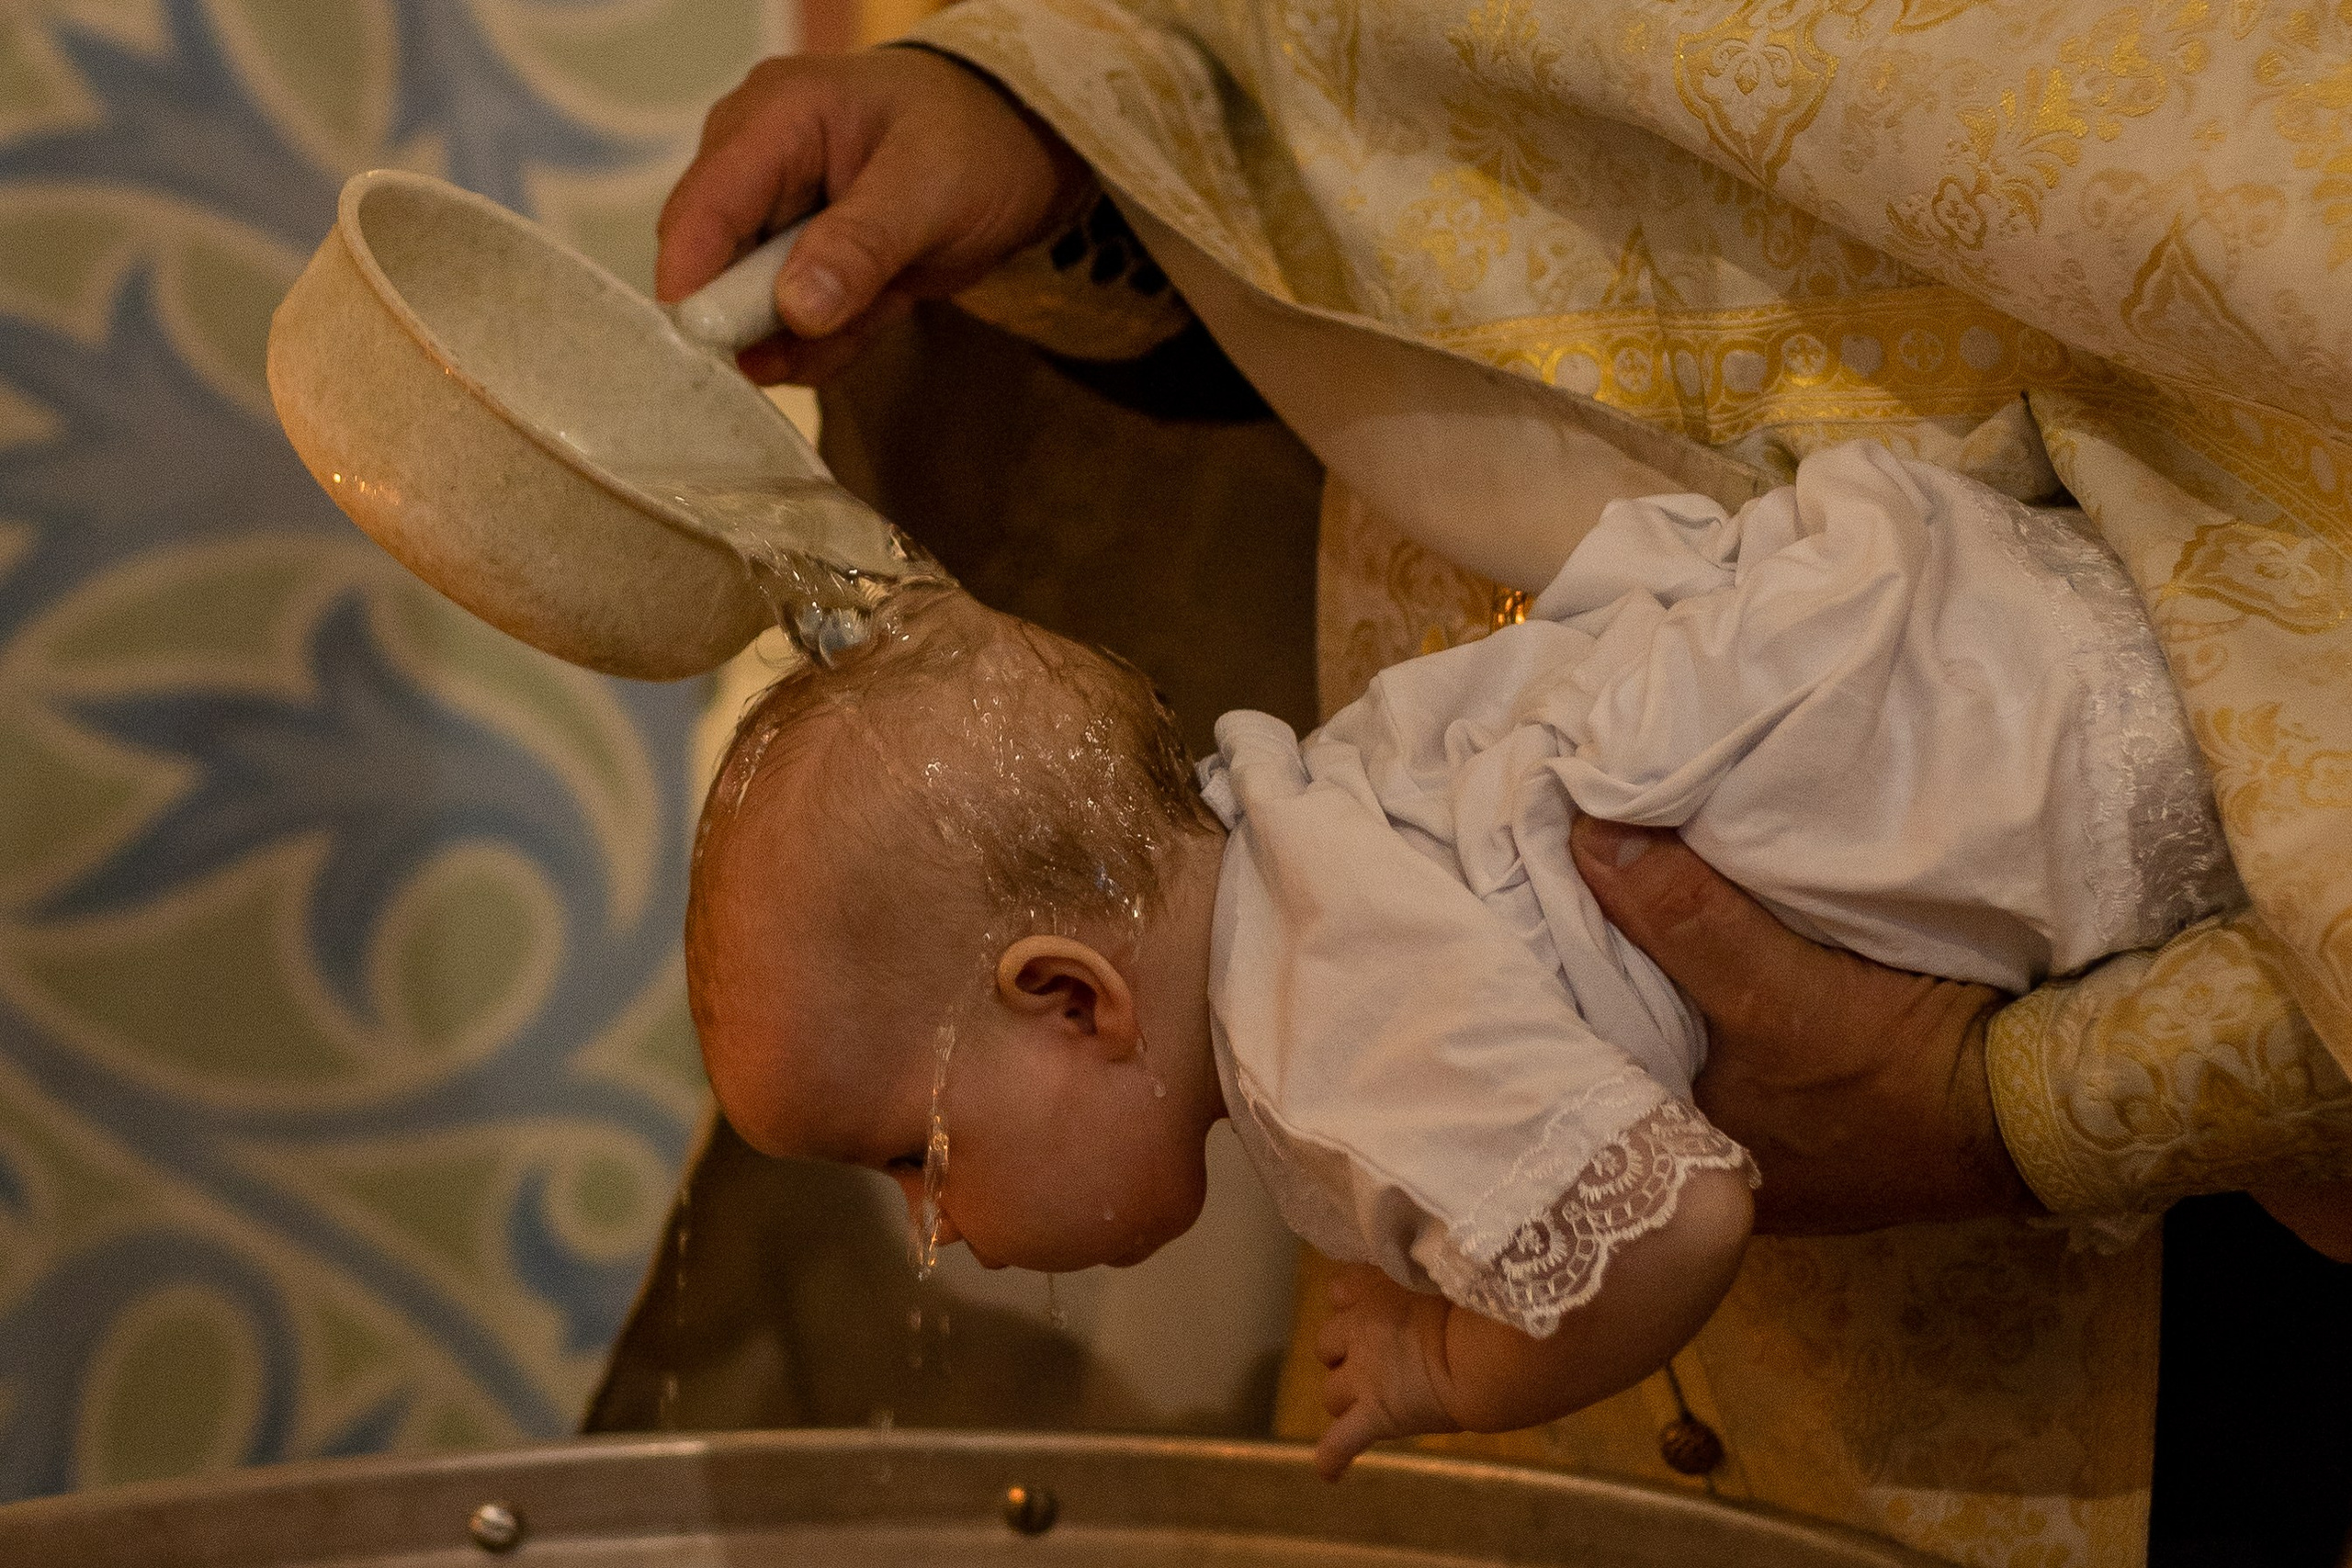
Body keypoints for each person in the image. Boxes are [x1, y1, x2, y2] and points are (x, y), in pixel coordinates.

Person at [686, 433, 2240, 1478]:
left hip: (2088, 783)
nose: (933, 1236)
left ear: (1069, 998)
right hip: (2024, 608)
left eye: (914, 1153)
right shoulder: (1308, 809)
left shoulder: (1316, 1035)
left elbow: (1677, 1223)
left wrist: (1448, 1367)